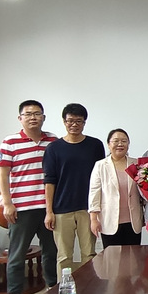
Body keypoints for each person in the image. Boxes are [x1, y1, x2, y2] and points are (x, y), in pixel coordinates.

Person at [0, 100, 58, 294]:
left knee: (50, 251)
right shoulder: (10, 142)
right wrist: (7, 203)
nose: (33, 117)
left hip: (48, 208)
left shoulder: (53, 141)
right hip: (21, 209)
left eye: (37, 113)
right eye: (28, 114)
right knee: (17, 253)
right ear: (20, 118)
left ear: (44, 117)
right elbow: (3, 174)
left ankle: (52, 288)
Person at [43, 103, 105, 276]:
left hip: (88, 208)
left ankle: (89, 287)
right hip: (62, 209)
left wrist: (98, 209)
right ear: (64, 121)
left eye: (79, 121)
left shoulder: (95, 145)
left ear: (84, 122)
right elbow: (49, 181)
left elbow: (101, 177)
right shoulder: (53, 148)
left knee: (89, 254)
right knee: (64, 256)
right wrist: (49, 211)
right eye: (70, 121)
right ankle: (63, 289)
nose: (74, 124)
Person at [89, 129, 144, 248]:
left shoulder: (136, 164)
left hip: (133, 220)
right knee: (112, 257)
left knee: (134, 256)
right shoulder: (100, 165)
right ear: (109, 144)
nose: (120, 144)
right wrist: (93, 219)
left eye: (124, 141)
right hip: (109, 220)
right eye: (116, 141)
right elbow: (94, 193)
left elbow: (143, 191)